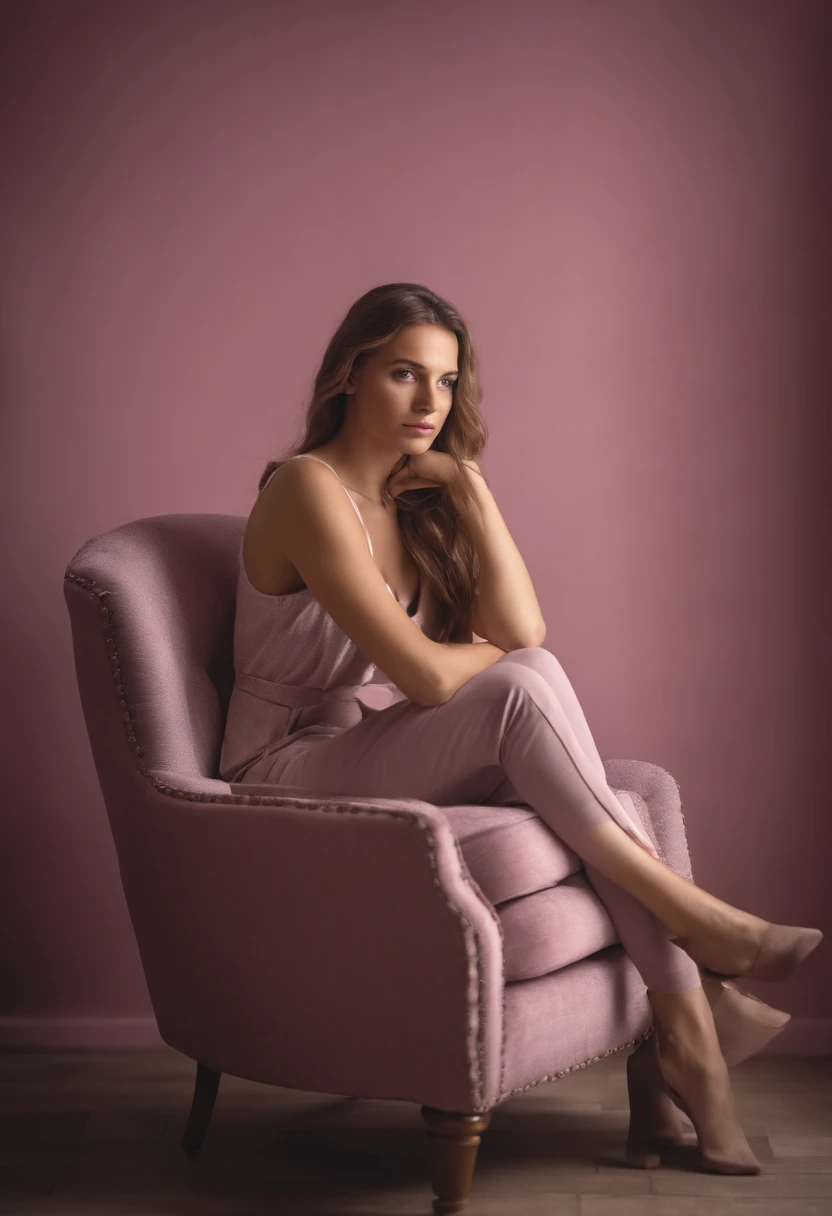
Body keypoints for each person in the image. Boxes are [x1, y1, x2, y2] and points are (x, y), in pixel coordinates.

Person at [220, 282, 823, 1175]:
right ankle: (696, 986)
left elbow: (523, 630)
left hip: (360, 745)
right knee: (520, 685)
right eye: (404, 374)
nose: (432, 402)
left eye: (448, 382)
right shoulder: (308, 489)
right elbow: (435, 672)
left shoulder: (413, 496)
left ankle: (681, 1048)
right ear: (350, 376)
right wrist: (487, 658)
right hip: (280, 770)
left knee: (630, 788)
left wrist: (468, 486)